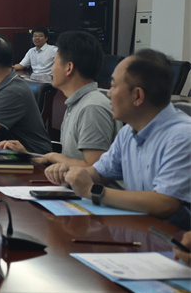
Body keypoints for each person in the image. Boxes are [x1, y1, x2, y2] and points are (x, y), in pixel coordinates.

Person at [48, 49, 191, 228]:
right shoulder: (129, 131)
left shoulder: (182, 136)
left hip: (171, 239)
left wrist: (93, 191)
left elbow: (165, 203)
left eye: (114, 86)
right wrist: (72, 175)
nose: (108, 93)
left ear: (137, 95)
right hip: (137, 230)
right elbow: (100, 173)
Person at [0, 31, 116, 167]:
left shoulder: (92, 108)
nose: (52, 70)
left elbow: (95, 169)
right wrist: (28, 156)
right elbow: (71, 161)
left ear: (69, 68)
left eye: (54, 63)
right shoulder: (77, 103)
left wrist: (53, 157)